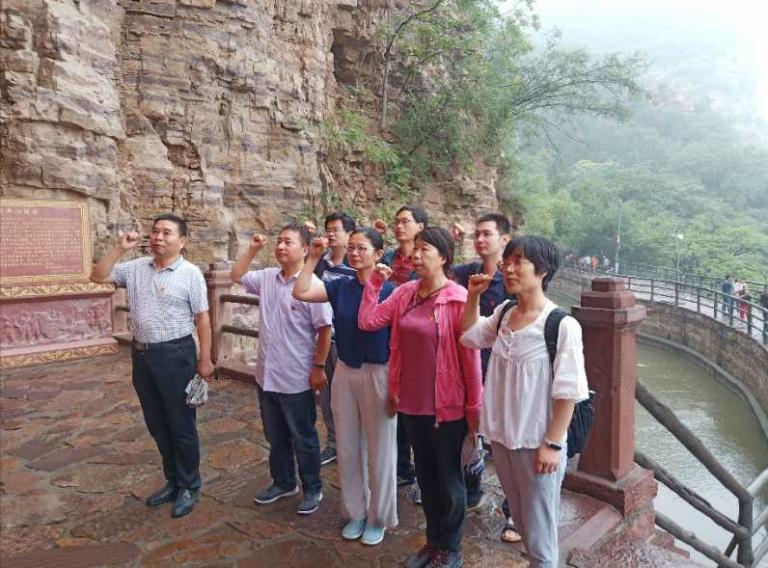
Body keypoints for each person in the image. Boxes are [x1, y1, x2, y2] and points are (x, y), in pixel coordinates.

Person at [460, 235, 589, 568]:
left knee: (540, 531)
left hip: (536, 443)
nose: (509, 268)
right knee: (520, 516)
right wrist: (473, 297)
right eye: (507, 261)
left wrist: (553, 444)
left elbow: (569, 391)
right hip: (503, 438)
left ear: (543, 270)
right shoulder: (505, 313)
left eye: (519, 261)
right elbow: (470, 337)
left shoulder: (561, 325)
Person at [359, 226, 482, 568]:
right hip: (411, 404)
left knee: (449, 480)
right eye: (415, 248)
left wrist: (474, 411)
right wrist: (374, 283)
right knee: (425, 478)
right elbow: (368, 321)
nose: (415, 254)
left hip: (447, 408)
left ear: (444, 257)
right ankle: (434, 541)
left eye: (424, 248)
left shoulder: (458, 299)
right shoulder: (406, 293)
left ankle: (451, 548)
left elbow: (471, 359)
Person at [90, 214, 214, 518]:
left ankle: (189, 485)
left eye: (166, 232)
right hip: (143, 356)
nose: (158, 237)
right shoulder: (136, 267)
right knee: (157, 424)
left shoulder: (190, 274)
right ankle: (173, 481)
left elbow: (203, 319)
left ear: (182, 241)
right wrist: (120, 248)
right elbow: (97, 276)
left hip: (176, 355)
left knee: (181, 424)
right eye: (155, 231)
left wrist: (205, 359)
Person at [293, 227, 397, 545]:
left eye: (362, 248)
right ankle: (355, 512)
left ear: (378, 253)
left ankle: (379, 517)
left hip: (379, 372)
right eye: (351, 247)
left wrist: (396, 385)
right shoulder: (341, 286)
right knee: (348, 447)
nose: (354, 253)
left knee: (381, 449)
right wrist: (313, 258)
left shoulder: (391, 291)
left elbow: (399, 342)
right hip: (345, 371)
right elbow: (301, 291)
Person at [230, 224, 333, 515]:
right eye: (279, 241)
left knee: (304, 437)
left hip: (296, 376)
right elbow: (236, 275)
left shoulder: (313, 286)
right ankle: (284, 482)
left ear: (305, 249)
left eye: (288, 242)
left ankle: (312, 487)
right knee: (275, 436)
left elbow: (324, 330)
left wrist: (318, 367)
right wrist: (253, 249)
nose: (281, 246)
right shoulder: (267, 278)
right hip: (266, 374)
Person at [451, 213, 520, 542]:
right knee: (470, 434)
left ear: (504, 239)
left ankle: (514, 512)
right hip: (469, 367)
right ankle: (472, 490)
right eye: (476, 234)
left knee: (508, 443)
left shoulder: (512, 281)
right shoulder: (467, 273)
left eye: (487, 234)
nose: (480, 240)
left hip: (501, 373)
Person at [374, 205, 428, 493]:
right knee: (394, 406)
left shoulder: (425, 263)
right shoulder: (388, 258)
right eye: (397, 221)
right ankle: (402, 469)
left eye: (406, 221)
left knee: (418, 409)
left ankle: (423, 475)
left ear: (421, 227)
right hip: (387, 337)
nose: (399, 226)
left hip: (415, 340)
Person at [313, 211, 358, 466]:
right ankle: (333, 443)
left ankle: (353, 444)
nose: (330, 234)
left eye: (336, 230)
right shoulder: (322, 263)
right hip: (324, 339)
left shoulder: (357, 265)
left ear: (349, 234)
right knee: (327, 395)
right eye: (328, 229)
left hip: (348, 341)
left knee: (350, 398)